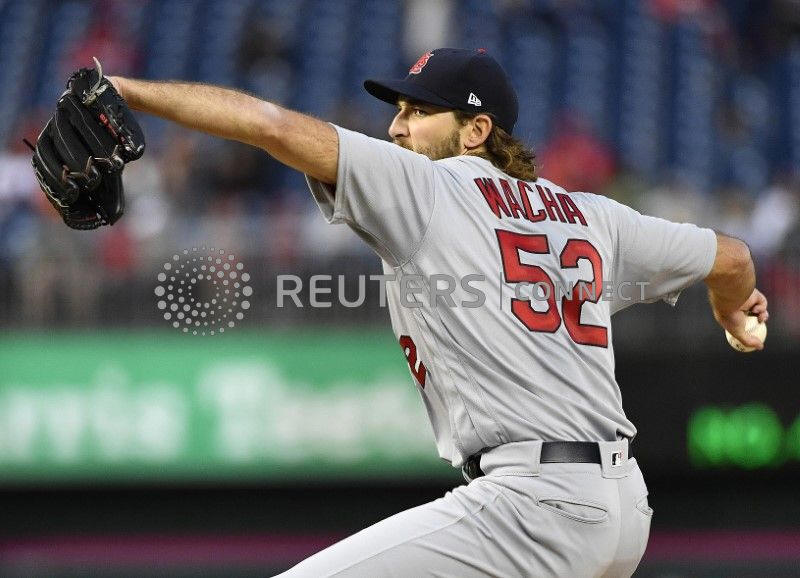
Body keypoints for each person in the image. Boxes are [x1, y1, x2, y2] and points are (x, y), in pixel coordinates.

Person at [108, 47, 768, 577]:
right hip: (623, 506)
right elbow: (733, 258)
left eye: (419, 111)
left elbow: (271, 126)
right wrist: (735, 315)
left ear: (477, 131)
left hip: (532, 505)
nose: (397, 126)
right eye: (399, 109)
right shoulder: (595, 218)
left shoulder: (428, 185)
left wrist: (127, 92)